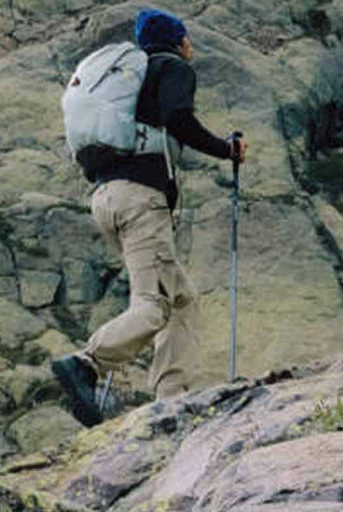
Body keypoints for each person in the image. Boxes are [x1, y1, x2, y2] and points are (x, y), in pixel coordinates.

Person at [52, 8, 249, 425]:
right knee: (153, 306)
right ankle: (86, 363)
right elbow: (179, 118)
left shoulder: (132, 80)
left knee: (182, 299)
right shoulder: (172, 67)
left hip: (108, 197)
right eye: (188, 39)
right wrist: (226, 149)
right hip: (141, 199)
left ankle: (171, 397)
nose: (191, 47)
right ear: (179, 40)